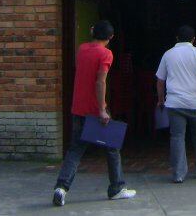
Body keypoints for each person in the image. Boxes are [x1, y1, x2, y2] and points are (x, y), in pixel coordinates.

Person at [52, 20, 136, 207]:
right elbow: (100, 81)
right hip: (95, 109)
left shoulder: (82, 49)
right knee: (112, 148)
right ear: (111, 37)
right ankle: (116, 187)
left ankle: (61, 188)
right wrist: (102, 109)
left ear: (92, 32)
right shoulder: (106, 54)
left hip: (78, 107)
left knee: (75, 150)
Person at [156, 25, 196, 183]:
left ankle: (178, 174)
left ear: (176, 38)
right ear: (194, 39)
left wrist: (161, 100)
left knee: (177, 137)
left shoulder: (168, 54)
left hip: (174, 103)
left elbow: (160, 80)